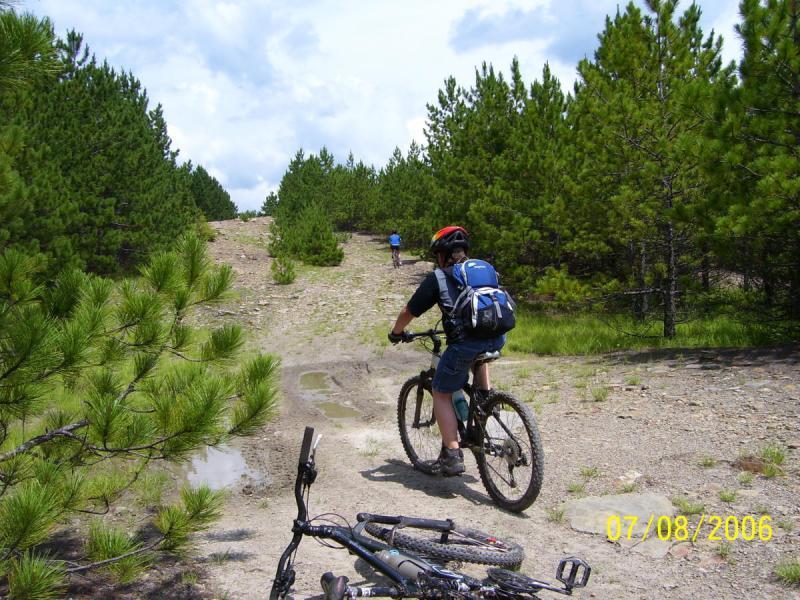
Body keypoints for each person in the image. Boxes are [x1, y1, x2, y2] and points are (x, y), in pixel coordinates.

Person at [388, 226, 505, 476]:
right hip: (496, 338)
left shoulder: (439, 277)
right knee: (478, 355)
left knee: (441, 391)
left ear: (442, 254)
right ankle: (485, 398)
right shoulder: (483, 270)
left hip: (464, 344)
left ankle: (452, 454)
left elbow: (410, 311)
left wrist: (396, 332)